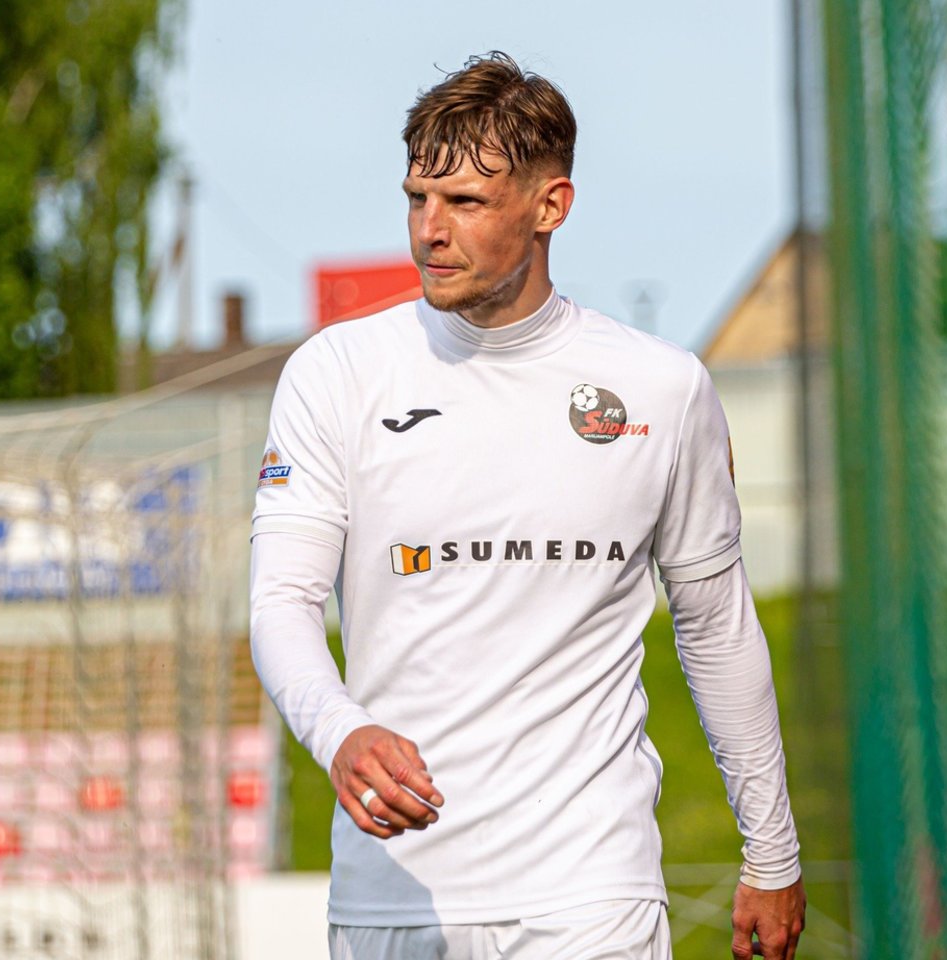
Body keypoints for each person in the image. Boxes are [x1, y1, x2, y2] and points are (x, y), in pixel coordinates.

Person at [250, 51, 805, 960]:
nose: (430, 231)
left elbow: (716, 626)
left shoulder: (661, 389)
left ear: (551, 206)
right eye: (417, 198)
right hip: (394, 897)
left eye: (465, 202)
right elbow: (280, 603)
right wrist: (339, 730)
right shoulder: (336, 373)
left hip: (590, 894)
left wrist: (772, 849)